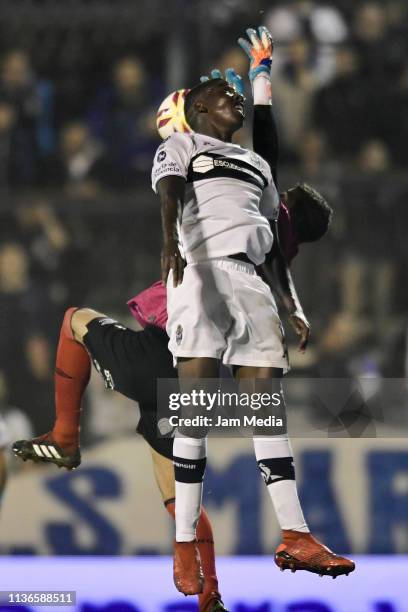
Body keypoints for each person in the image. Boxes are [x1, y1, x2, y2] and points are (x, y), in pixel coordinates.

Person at [154, 27, 354, 595]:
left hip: (252, 281)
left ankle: (295, 533)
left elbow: (269, 229)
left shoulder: (255, 167)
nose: (231, 95)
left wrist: (293, 304)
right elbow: (168, 191)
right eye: (221, 93)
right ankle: (186, 540)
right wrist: (167, 241)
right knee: (196, 411)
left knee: (266, 413)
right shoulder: (183, 147)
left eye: (237, 92)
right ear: (195, 109)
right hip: (200, 271)